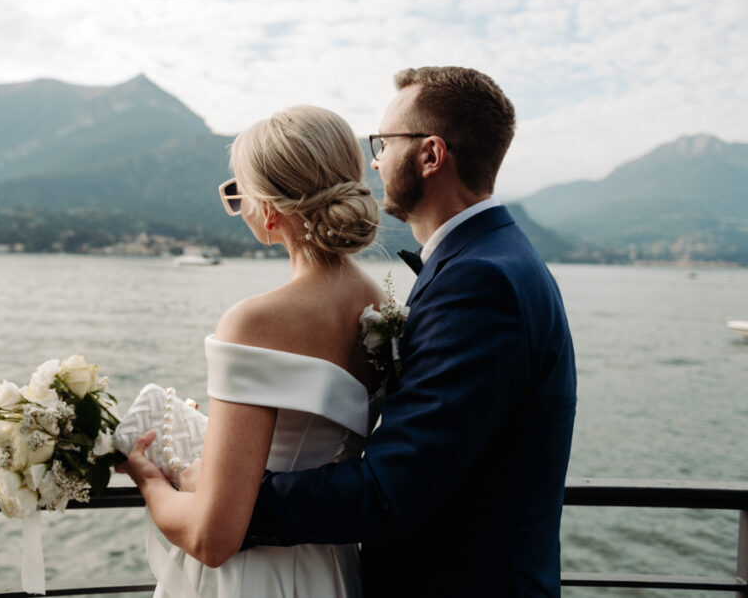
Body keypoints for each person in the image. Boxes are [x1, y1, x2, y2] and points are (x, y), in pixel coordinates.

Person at [242, 67, 578, 597]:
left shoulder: (481, 279)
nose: (373, 160)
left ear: (430, 155)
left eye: (383, 142)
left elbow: (389, 491)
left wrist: (232, 499)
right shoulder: (490, 259)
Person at [118, 104, 391, 597]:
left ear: (268, 208)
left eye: (238, 192)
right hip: (334, 570)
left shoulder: (254, 323)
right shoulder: (383, 310)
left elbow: (212, 536)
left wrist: (149, 479)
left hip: (252, 578)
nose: (239, 205)